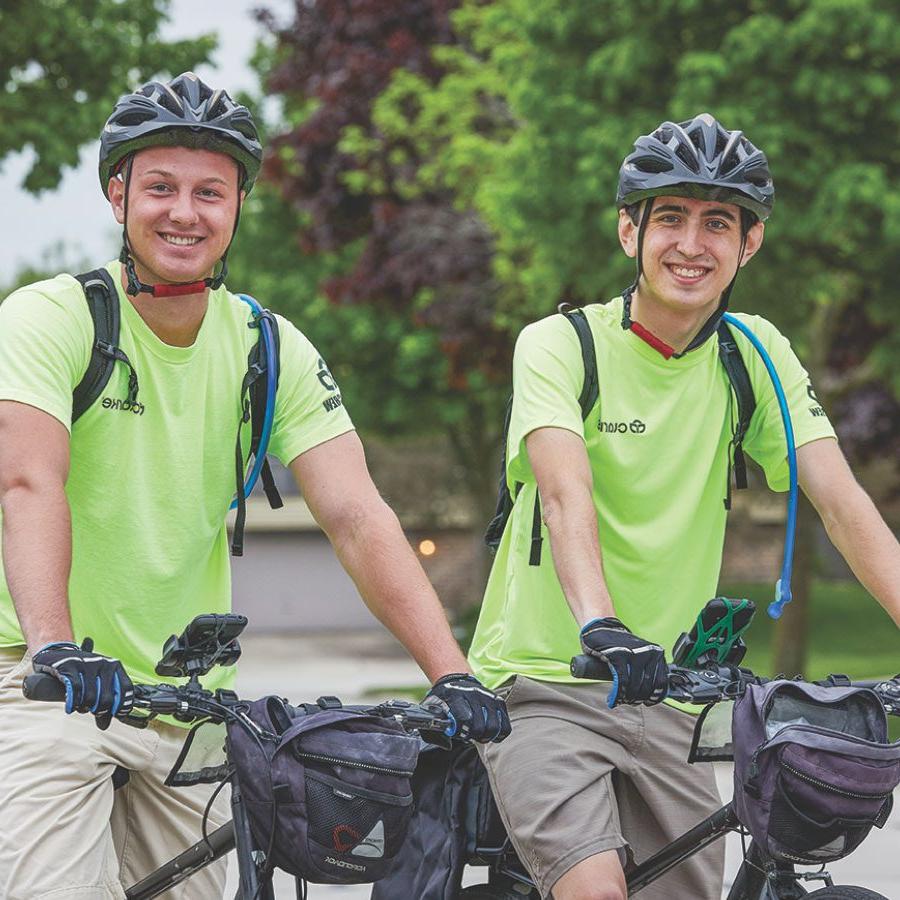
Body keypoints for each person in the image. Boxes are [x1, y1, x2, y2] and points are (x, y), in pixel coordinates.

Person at [0, 72, 509, 900]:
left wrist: (450, 674)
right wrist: (56, 646)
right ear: (116, 193)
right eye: (159, 187)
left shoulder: (271, 348)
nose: (183, 212)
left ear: (237, 207)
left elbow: (356, 516)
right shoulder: (51, 318)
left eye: (211, 191)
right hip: (46, 681)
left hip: (183, 701)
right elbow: (27, 483)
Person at [467, 113, 900, 900]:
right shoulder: (563, 345)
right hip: (543, 685)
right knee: (595, 891)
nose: (691, 245)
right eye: (669, 218)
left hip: (671, 697)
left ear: (749, 243)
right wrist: (602, 626)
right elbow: (567, 494)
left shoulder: (754, 353)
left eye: (717, 223)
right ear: (628, 230)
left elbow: (841, 502)